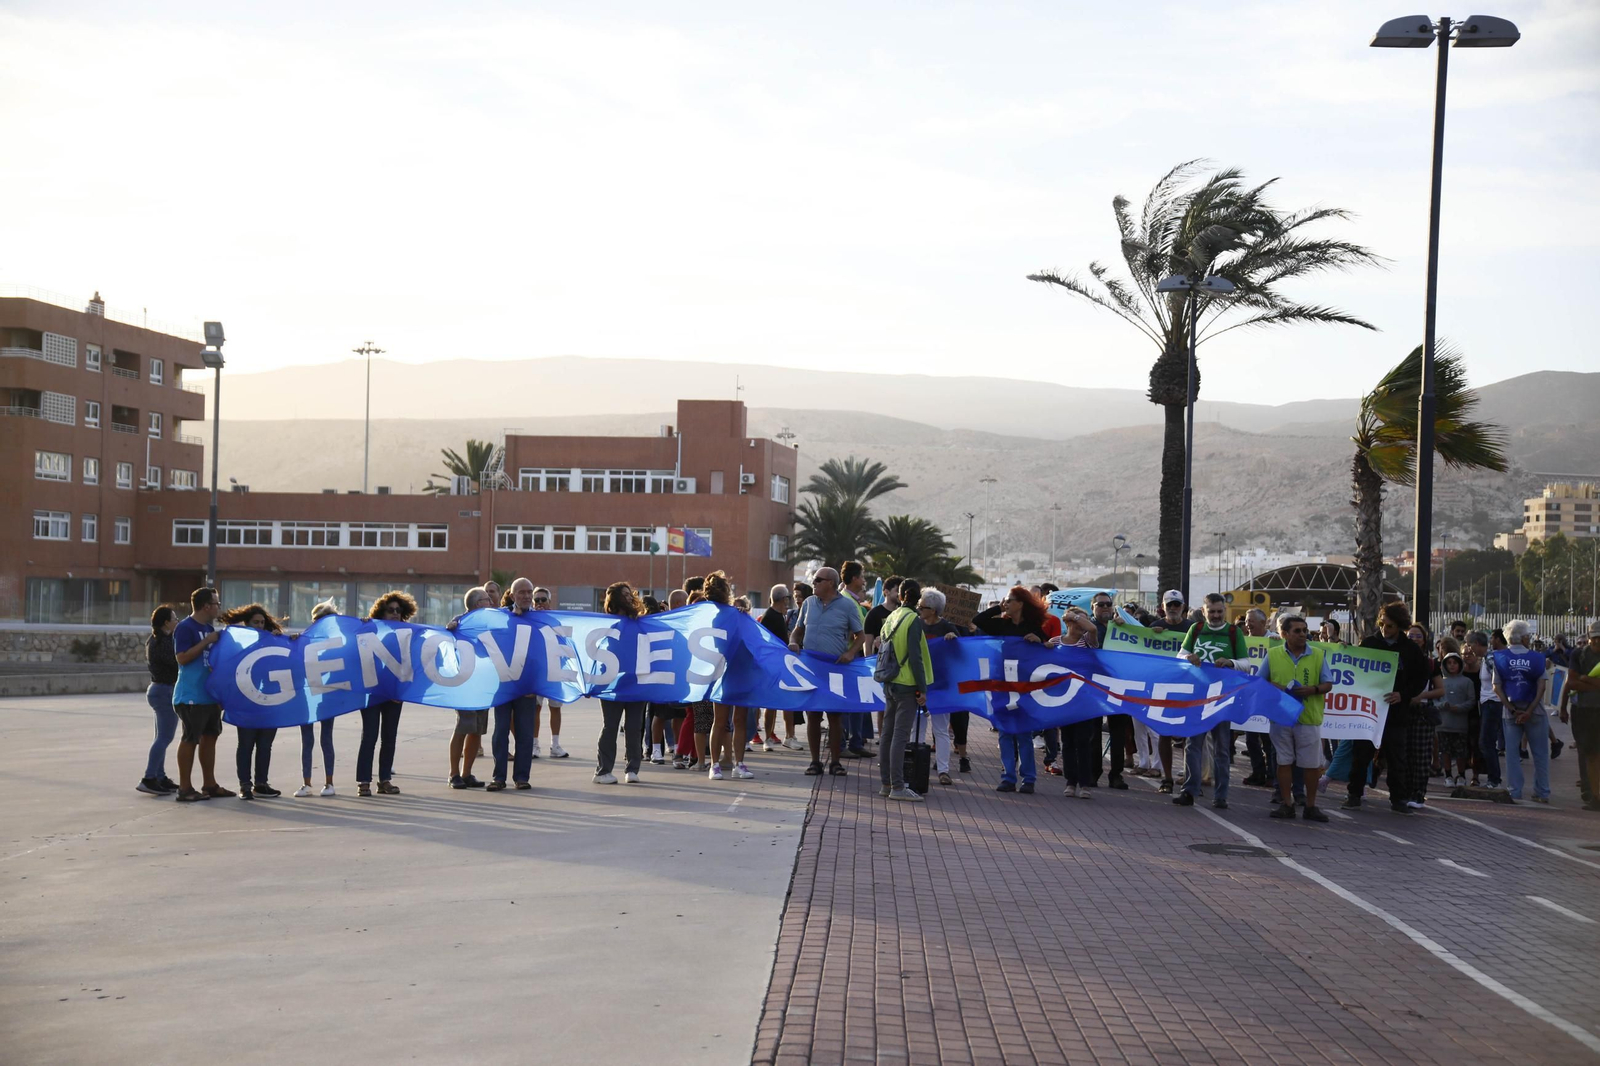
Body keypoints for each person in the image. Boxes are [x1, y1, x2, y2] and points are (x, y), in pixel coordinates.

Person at [1347, 602, 1430, 813]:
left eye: (1390, 626)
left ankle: (1398, 798)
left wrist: (1403, 695)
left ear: (1400, 626)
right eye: (1383, 624)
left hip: (1396, 712)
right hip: (1369, 711)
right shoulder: (1369, 643)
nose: (1385, 629)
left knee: (1396, 757)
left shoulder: (1410, 649)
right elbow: (1355, 672)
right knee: (1361, 754)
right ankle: (1354, 794)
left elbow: (1420, 678)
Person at [972, 586, 1048, 794]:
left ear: (1021, 603)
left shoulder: (1033, 626)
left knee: (1023, 733)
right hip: (1002, 684)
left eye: (1010, 600)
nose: (1006, 603)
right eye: (1005, 600)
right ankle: (1007, 777)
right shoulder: (1001, 625)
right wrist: (998, 607)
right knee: (1005, 732)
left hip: (1024, 685)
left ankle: (1028, 779)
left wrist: (1039, 641)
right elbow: (978, 620)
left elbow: (1049, 649)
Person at [790, 566, 865, 777]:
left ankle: (835, 762)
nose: (813, 583)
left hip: (835, 669)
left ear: (830, 583)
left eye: (817, 580)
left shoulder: (847, 606)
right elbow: (798, 629)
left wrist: (851, 653)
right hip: (811, 667)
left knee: (834, 717)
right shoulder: (808, 604)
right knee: (813, 715)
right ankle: (815, 762)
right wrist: (793, 641)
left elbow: (860, 636)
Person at [1173, 593, 1246, 809]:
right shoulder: (1195, 630)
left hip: (1222, 699)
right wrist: (1188, 658)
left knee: (1222, 749)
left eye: (1219, 611)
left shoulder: (1234, 632)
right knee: (1192, 745)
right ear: (1204, 612)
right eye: (1211, 611)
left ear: (1225, 611)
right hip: (1197, 698)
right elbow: (1179, 656)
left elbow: (1246, 664)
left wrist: (1230, 662)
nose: (1215, 615)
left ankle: (1221, 795)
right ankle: (1189, 790)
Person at [1261, 614, 1335, 823]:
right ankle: (1287, 804)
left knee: (1311, 765)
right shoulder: (1273, 654)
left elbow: (1328, 684)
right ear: (1284, 634)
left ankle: (1311, 806)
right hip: (1281, 717)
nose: (1303, 634)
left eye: (1305, 631)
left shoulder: (1318, 655)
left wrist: (1312, 689)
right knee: (1284, 761)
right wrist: (1281, 689)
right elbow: (1260, 682)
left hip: (1308, 717)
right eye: (1297, 631)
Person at [171, 587, 232, 802]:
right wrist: (207, 641)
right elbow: (183, 658)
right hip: (191, 695)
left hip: (209, 695)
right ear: (206, 606)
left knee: (210, 737)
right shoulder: (185, 628)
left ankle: (210, 784)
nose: (218, 607)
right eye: (216, 603)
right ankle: (185, 788)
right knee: (190, 738)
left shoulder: (208, 627)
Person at [220, 603, 285, 799]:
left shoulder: (273, 642)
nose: (259, 626)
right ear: (246, 624)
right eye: (255, 622)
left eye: (262, 622)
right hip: (246, 701)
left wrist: (283, 641)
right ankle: (245, 785)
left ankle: (261, 783)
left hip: (269, 700)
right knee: (246, 744)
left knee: (265, 744)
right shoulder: (237, 644)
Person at [356, 591, 415, 796]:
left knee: (389, 738)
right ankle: (364, 782)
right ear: (381, 612)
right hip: (373, 693)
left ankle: (384, 780)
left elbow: (411, 662)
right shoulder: (370, 630)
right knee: (369, 737)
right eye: (390, 610)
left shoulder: (407, 634)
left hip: (395, 695)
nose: (395, 613)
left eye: (399, 610)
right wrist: (361, 626)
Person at [876, 578, 930, 802]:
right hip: (907, 683)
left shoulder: (892, 616)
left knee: (887, 734)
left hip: (889, 681)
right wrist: (922, 688)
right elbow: (915, 658)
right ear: (919, 599)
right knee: (900, 735)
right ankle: (898, 786)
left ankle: (886, 783)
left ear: (900, 595)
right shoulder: (913, 620)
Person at [487, 579, 539, 792]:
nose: (526, 596)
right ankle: (498, 777)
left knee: (525, 733)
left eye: (529, 592)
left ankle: (521, 777)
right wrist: (455, 623)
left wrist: (536, 683)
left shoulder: (540, 619)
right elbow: (472, 619)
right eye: (522, 592)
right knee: (500, 731)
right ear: (512, 595)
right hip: (504, 683)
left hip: (527, 685)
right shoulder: (500, 616)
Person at [594, 581, 648, 784]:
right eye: (624, 594)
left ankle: (632, 769)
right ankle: (602, 771)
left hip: (636, 681)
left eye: (629, 593)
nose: (628, 597)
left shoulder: (641, 622)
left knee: (635, 727)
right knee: (611, 726)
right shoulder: (607, 624)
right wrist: (595, 682)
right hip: (612, 682)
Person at [703, 571, 754, 781]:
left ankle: (736, 763)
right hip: (726, 669)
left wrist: (742, 615)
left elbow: (749, 637)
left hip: (737, 669)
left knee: (732, 720)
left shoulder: (736, 613)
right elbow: (719, 644)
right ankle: (716, 764)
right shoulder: (715, 616)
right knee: (725, 720)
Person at [1493, 620, 1550, 804]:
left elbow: (1497, 687)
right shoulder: (1537, 658)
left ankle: (1514, 790)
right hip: (1535, 710)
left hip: (1511, 710)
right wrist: (1530, 709)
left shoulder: (1500, 658)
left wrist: (1511, 709)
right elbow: (1541, 687)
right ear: (1524, 637)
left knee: (1511, 752)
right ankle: (1542, 792)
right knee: (1540, 752)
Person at [915, 588, 965, 784]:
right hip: (920, 683)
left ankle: (943, 770)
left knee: (941, 729)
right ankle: (918, 766)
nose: (919, 609)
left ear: (933, 610)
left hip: (941, 685)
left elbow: (961, 655)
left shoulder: (948, 627)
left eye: (922, 607)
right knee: (917, 727)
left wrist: (954, 641)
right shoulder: (915, 625)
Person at [1051, 606, 1100, 799]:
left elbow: (1093, 630)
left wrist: (1076, 616)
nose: (1082, 624)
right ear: (1068, 622)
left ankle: (1085, 783)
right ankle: (1071, 781)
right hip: (1064, 698)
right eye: (1077, 621)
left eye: (1084, 620)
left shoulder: (1087, 642)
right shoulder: (1056, 642)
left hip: (1085, 699)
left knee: (1083, 741)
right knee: (1068, 741)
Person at [295, 600, 341, 797]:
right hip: (306, 695)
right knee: (307, 740)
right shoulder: (303, 640)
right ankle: (306, 783)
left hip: (327, 695)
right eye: (315, 620)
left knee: (326, 739)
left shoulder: (337, 643)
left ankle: (329, 783)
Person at [448, 586, 492, 789]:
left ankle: (467, 773)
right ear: (476, 604)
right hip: (465, 684)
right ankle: (453, 773)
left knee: (477, 730)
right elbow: (446, 642)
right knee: (463, 726)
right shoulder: (460, 622)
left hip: (484, 684)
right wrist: (450, 630)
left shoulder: (492, 622)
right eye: (486, 599)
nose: (490, 601)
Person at [138, 606, 182, 795]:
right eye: (174, 618)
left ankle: (160, 776)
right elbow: (177, 662)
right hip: (165, 690)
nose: (177, 621)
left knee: (161, 737)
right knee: (165, 737)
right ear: (166, 622)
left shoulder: (155, 640)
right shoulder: (163, 642)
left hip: (159, 689)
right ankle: (149, 778)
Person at [1561, 621, 1600, 812]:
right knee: (1587, 753)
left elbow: (1578, 681)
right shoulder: (1579, 654)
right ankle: (1592, 795)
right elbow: (1572, 683)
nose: (1598, 642)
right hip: (1584, 711)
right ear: (1589, 637)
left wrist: (1586, 679)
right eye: (1595, 638)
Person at [526, 586, 568, 759]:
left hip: (554, 670)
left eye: (543, 600)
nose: (540, 603)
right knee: (535, 708)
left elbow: (564, 644)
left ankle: (555, 745)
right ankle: (535, 745)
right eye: (537, 600)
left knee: (555, 708)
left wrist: (562, 664)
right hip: (536, 672)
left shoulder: (555, 621)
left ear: (550, 602)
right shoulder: (528, 619)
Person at [759, 585, 803, 751]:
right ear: (783, 599)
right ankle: (784, 736)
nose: (788, 603)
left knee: (778, 703)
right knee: (781, 703)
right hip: (776, 666)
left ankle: (776, 737)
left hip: (777, 665)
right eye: (788, 599)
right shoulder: (772, 617)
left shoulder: (774, 616)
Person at [1437, 651, 1475, 788]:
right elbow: (1435, 701)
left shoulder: (1467, 682)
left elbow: (1471, 701)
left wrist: (1459, 708)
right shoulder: (1440, 681)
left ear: (1460, 665)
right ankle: (1448, 775)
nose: (1452, 666)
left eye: (1455, 663)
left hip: (1460, 725)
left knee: (1461, 752)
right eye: (1449, 663)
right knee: (1445, 751)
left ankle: (1461, 775)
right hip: (1443, 724)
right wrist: (1443, 705)